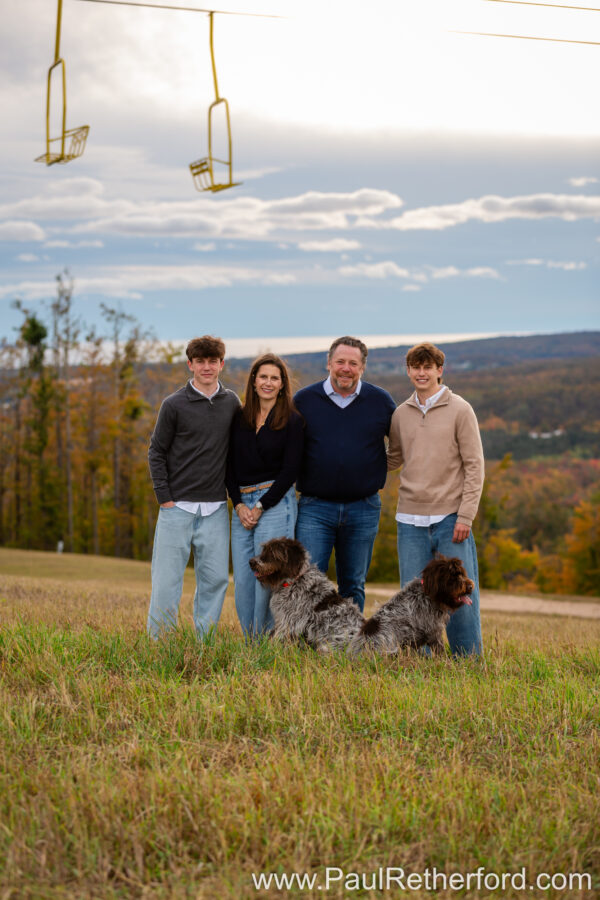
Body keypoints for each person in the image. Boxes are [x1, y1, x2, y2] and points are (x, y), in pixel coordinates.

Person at [387, 341, 484, 655]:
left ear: (440, 370)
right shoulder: (401, 413)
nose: (421, 372)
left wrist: (466, 515)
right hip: (409, 520)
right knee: (414, 600)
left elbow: (474, 465)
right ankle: (420, 663)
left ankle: (467, 661)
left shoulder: (460, 409)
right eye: (416, 367)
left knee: (460, 595)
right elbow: (393, 459)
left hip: (450, 518)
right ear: (408, 371)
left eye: (427, 367)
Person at [147, 335, 240, 639]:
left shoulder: (232, 403)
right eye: (200, 361)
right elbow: (156, 451)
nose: (207, 367)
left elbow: (239, 450)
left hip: (214, 508)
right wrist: (165, 498)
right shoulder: (173, 404)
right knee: (166, 582)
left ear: (221, 364)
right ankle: (159, 643)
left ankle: (205, 643)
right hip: (177, 508)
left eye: (213, 361)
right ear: (190, 364)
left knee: (214, 581)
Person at [294, 336, 396, 612]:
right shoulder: (304, 400)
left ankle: (349, 646)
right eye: (340, 361)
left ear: (363, 367)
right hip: (315, 508)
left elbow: (401, 444)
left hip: (363, 507)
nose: (346, 368)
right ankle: (308, 645)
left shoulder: (380, 401)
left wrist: (372, 468)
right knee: (307, 580)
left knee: (353, 584)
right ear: (329, 363)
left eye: (353, 363)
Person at [226, 353, 304, 636]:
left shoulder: (293, 421)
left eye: (275, 378)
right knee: (245, 579)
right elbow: (229, 465)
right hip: (241, 505)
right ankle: (251, 643)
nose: (268, 383)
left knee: (270, 577)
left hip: (275, 503)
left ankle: (270, 641)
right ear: (254, 382)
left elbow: (290, 471)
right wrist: (237, 504)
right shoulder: (239, 417)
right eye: (263, 377)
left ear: (282, 384)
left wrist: (259, 506)